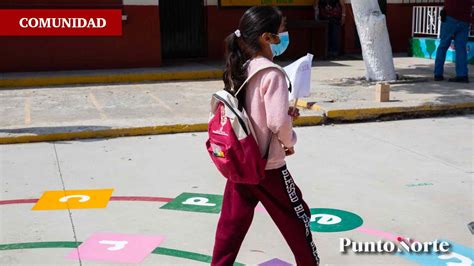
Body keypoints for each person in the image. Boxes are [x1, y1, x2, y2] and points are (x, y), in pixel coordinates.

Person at [211, 6, 320, 266]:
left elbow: (251, 111)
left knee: (231, 226)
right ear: (266, 37)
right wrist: (289, 140)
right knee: (297, 219)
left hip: (241, 160)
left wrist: (282, 114)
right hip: (268, 166)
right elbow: (275, 121)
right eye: (282, 30)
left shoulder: (241, 66)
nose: (285, 35)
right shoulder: (272, 73)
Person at [434, 0, 471, 83]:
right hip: (465, 19)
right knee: (461, 48)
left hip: (450, 17)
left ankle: (438, 74)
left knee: (443, 46)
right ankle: (462, 75)